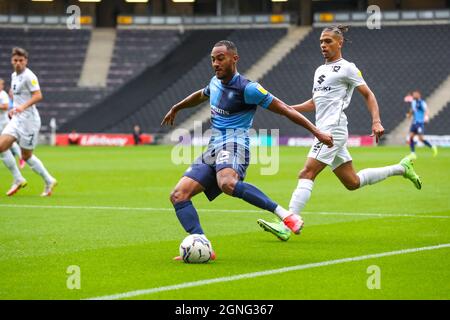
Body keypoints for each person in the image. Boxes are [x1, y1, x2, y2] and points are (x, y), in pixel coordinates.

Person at [161, 40, 333, 259]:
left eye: (220, 58)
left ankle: (285, 214)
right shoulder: (215, 82)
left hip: (236, 145)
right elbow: (200, 95)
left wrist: (316, 132)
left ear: (234, 58)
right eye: (213, 59)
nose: (215, 63)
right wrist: (177, 107)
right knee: (178, 195)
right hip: (213, 147)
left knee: (227, 183)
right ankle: (202, 244)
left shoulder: (248, 88)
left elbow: (285, 109)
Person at [257, 25, 422, 241]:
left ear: (340, 43)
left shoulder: (348, 68)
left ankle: (287, 224)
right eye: (321, 42)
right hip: (327, 130)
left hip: (332, 131)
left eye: (328, 41)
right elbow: (316, 103)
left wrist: (376, 121)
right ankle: (401, 168)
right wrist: (289, 109)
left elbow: (368, 95)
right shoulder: (319, 71)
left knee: (306, 173)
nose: (323, 46)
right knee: (352, 182)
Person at [0, 47, 57, 196]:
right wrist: (14, 108)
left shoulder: (29, 76)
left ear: (26, 61)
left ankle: (48, 180)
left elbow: (38, 95)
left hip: (29, 122)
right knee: (1, 146)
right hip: (17, 120)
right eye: (15, 60)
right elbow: (17, 95)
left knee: (26, 156)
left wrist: (21, 108)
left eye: (21, 60)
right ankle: (18, 178)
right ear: (12, 61)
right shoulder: (14, 75)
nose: (18, 63)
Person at [0, 78, 25, 171]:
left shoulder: (3, 95)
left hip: (4, 123)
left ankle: (21, 157)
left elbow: (6, 106)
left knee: (10, 143)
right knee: (5, 144)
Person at [406, 90, 437, 159]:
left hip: (420, 123)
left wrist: (426, 117)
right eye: (413, 94)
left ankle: (432, 147)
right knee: (411, 137)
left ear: (419, 95)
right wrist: (409, 115)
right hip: (414, 123)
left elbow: (426, 110)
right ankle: (413, 153)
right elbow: (413, 110)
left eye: (415, 94)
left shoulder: (422, 103)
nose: (414, 95)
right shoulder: (413, 102)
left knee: (421, 139)